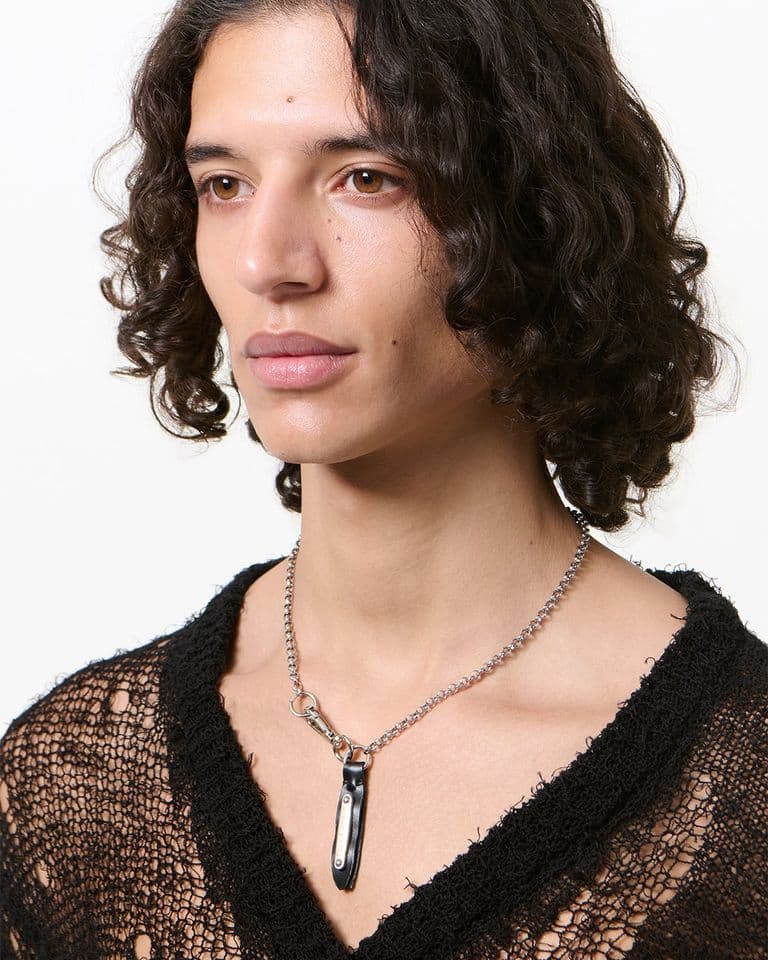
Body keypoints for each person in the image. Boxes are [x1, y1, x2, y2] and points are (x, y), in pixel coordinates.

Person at [1, 0, 765, 957]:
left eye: (367, 178)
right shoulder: (72, 792)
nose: (268, 263)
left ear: (534, 213)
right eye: (225, 184)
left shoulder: (745, 792)